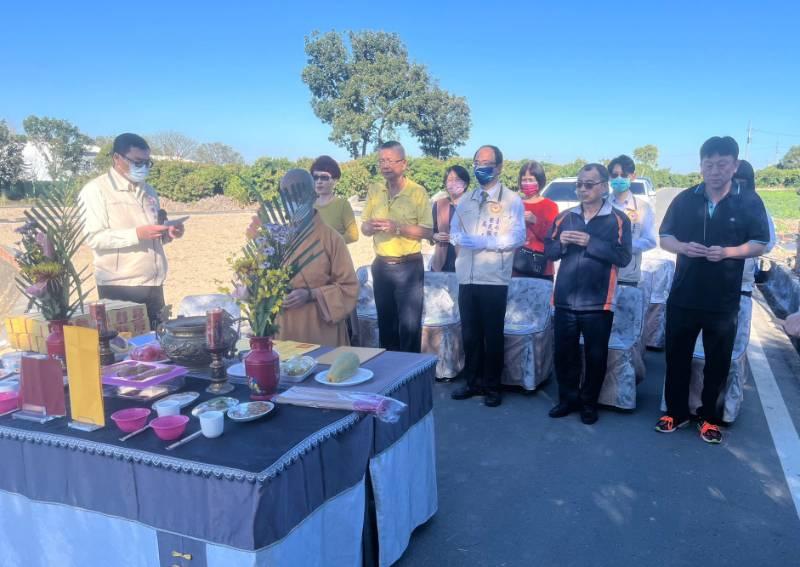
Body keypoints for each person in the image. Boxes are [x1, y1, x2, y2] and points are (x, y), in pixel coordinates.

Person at [656, 136, 770, 444]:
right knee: (676, 357)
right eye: (709, 164)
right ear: (701, 166)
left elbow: (761, 242)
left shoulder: (748, 201)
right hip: (683, 294)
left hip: (723, 299)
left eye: (722, 164)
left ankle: (709, 417)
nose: (715, 170)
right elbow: (664, 236)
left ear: (734, 166)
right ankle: (676, 412)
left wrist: (729, 252)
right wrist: (682, 247)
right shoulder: (685, 198)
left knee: (718, 362)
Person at [545, 163, 632, 424]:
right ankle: (567, 399)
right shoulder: (565, 217)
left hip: (598, 301)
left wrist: (589, 242)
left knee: (595, 355)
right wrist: (560, 243)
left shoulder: (618, 219)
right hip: (565, 299)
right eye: (579, 184)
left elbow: (624, 257)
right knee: (564, 353)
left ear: (604, 187)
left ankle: (589, 403)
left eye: (589, 184)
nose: (583, 189)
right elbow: (549, 252)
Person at [79, 133, 184, 327]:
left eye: (147, 162)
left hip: (154, 282)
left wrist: (168, 233)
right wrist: (137, 234)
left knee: (156, 347)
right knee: (127, 347)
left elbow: (154, 230)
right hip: (120, 286)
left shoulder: (149, 190)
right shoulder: (96, 190)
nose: (143, 167)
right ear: (117, 158)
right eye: (137, 161)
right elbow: (94, 238)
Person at [449, 145, 526, 407]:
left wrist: (485, 241)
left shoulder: (512, 200)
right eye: (476, 162)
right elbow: (454, 231)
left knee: (492, 334)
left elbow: (518, 235)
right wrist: (460, 239)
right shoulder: (467, 198)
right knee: (470, 333)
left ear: (499, 167)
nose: (480, 167)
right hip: (466, 276)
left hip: (494, 276)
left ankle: (493, 387)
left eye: (486, 163)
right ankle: (472, 382)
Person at [361, 141, 433, 353]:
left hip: (408, 268)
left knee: (409, 327)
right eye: (381, 160)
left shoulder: (417, 192)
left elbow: (428, 232)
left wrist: (398, 228)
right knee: (386, 325)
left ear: (403, 164)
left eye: (390, 160)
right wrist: (369, 227)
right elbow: (364, 227)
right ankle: (390, 376)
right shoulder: (375, 190)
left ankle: (409, 377)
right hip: (381, 266)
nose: (385, 165)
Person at [275, 170, 359, 346]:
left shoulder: (332, 239)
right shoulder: (276, 238)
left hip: (321, 329)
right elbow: (261, 281)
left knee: (324, 373)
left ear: (312, 196)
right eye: (287, 195)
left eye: (299, 194)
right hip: (284, 329)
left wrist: (311, 294)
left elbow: (349, 288)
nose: (293, 201)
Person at [607, 155, 657, 284]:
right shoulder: (601, 205)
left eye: (624, 175)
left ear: (633, 176)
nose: (619, 178)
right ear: (609, 177)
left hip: (628, 277)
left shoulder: (643, 208)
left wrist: (625, 246)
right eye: (614, 175)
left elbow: (650, 241)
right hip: (602, 274)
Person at [734, 160, 776, 295]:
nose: (737, 187)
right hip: (711, 284)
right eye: (734, 182)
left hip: (741, 287)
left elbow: (768, 243)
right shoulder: (713, 206)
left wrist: (742, 249)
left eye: (741, 183)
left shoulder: (757, 207)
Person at [512, 160, 558, 279]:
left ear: (540, 181)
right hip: (516, 266)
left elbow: (552, 237)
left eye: (531, 180)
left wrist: (535, 221)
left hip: (541, 268)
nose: (527, 183)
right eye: (524, 180)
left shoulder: (550, 206)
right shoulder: (514, 204)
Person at [310, 155, 359, 244]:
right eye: (315, 177)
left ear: (335, 180)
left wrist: (330, 243)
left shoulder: (343, 205)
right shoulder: (309, 206)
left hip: (336, 256)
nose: (319, 181)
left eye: (324, 177)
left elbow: (353, 236)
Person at [431, 165, 470, 272]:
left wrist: (457, 238)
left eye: (457, 180)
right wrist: (436, 236)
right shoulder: (438, 205)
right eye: (450, 180)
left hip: (465, 261)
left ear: (465, 183)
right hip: (441, 260)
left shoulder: (473, 206)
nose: (453, 183)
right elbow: (430, 231)